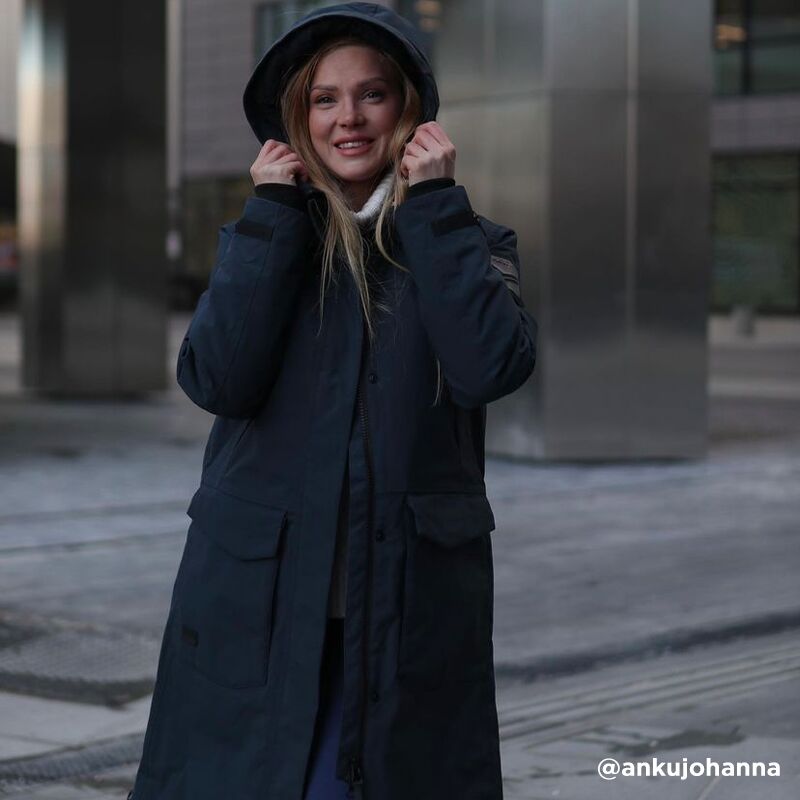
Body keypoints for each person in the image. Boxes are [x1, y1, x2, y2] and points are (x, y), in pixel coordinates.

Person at [128, 3, 538, 799]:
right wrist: (273, 220)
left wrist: (436, 208)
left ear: (411, 111)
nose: (347, 118)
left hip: (404, 601)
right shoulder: (270, 236)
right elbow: (216, 381)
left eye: (371, 95)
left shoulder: (468, 238)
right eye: (323, 99)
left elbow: (492, 368)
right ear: (297, 119)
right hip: (261, 596)